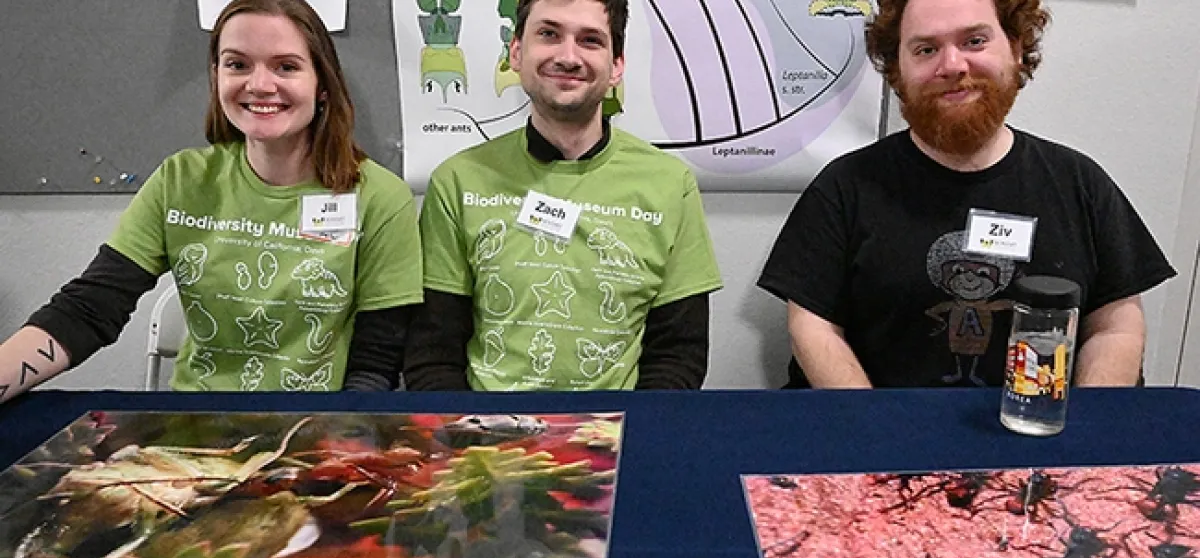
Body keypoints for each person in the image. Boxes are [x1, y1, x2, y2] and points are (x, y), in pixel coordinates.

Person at [0, 0, 422, 401]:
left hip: (317, 427)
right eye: (237, 64)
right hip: (196, 424)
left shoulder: (379, 197)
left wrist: (333, 435)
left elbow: (376, 363)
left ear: (323, 84)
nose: (260, 85)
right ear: (217, 75)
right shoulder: (180, 180)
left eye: (286, 66)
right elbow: (90, 308)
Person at [757, 0, 1175, 389]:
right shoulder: (845, 188)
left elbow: (1115, 327)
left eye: (974, 41)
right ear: (897, 69)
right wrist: (874, 428)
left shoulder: (1080, 184)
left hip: (1041, 432)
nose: (952, 65)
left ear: (1015, 48)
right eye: (926, 50)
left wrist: (1086, 428)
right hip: (881, 434)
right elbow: (813, 326)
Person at [404, 0, 723, 391]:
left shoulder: (670, 185)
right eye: (549, 34)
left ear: (616, 65)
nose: (568, 57)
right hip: (489, 425)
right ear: (516, 52)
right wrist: (479, 429)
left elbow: (678, 355)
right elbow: (433, 355)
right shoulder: (458, 182)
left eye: (590, 40)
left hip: (620, 424)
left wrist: (630, 426)